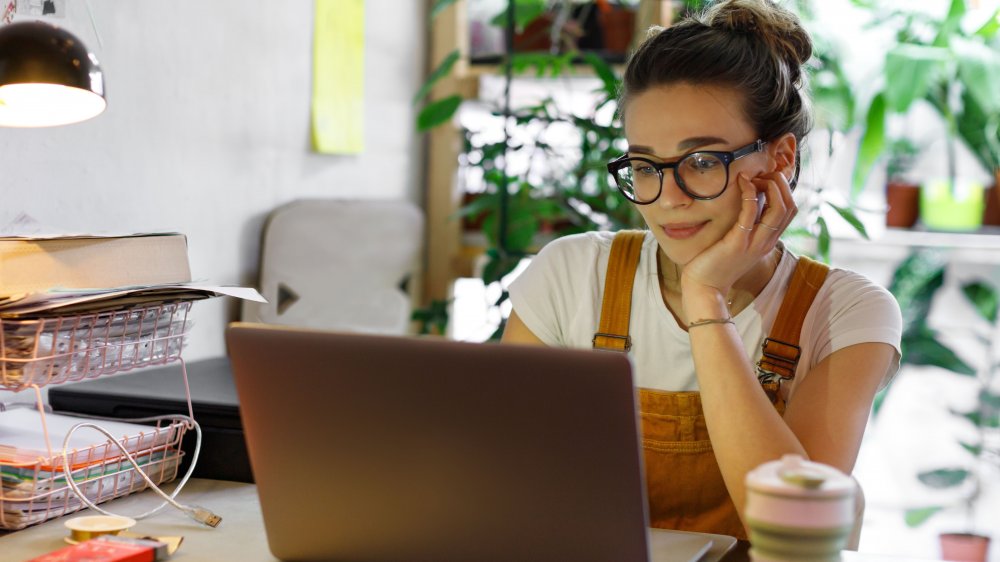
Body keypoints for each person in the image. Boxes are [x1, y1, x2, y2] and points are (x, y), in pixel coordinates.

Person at [501, 0, 902, 541]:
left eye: (703, 162)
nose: (667, 198)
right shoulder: (573, 273)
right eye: (645, 167)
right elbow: (500, 481)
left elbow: (800, 529)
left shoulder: (846, 313)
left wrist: (706, 298)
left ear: (780, 158)